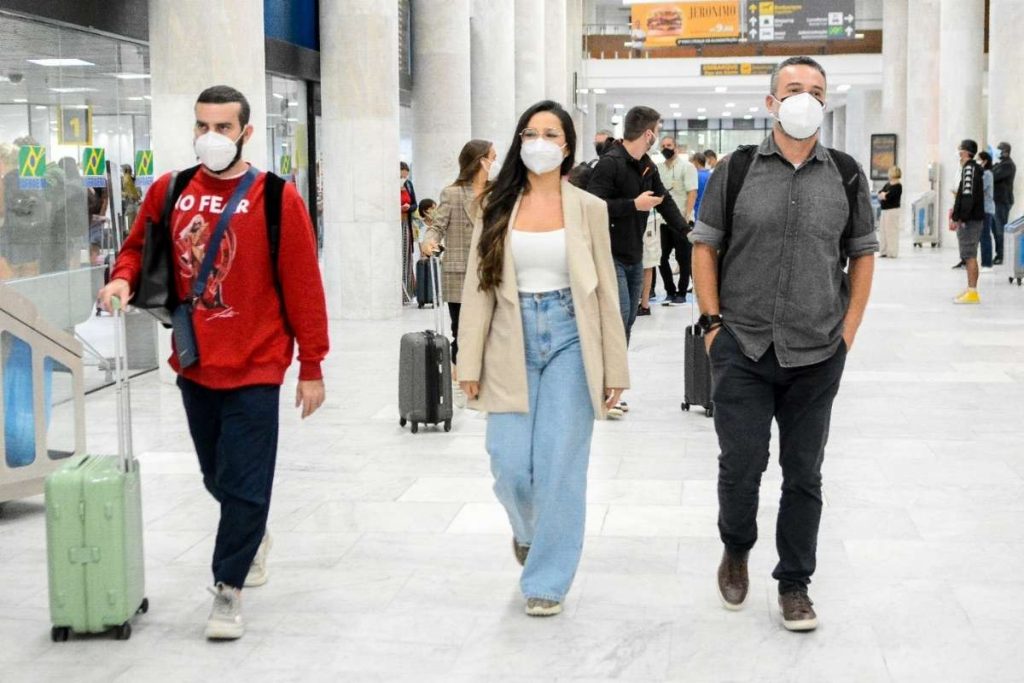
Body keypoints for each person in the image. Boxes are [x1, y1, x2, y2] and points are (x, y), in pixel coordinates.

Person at [97, 85, 329, 641]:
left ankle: (228, 588)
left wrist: (312, 364)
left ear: (246, 132)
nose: (212, 137)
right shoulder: (170, 189)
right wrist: (122, 277)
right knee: (216, 475)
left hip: (258, 362)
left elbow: (303, 284)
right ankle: (250, 534)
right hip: (195, 360)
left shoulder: (276, 198)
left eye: (224, 128)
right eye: (203, 125)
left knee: (246, 481)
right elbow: (136, 248)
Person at [690, 56, 877, 632]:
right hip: (742, 345)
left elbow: (863, 253)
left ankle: (795, 582)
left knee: (804, 473)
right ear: (771, 102)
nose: (805, 99)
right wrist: (713, 322)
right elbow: (705, 245)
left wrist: (846, 334)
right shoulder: (737, 169)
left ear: (825, 102)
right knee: (741, 466)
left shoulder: (845, 174)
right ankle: (737, 549)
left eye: (816, 91)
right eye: (793, 89)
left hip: (817, 352)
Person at [457, 100, 629, 617]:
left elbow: (605, 293)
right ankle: (530, 531)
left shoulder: (588, 208)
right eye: (529, 132)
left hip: (572, 339)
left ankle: (547, 580)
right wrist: (468, 362)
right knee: (509, 465)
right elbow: (477, 286)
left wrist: (615, 370)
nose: (538, 141)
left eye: (550, 133)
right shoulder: (496, 205)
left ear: (566, 146)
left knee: (560, 464)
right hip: (509, 340)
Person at [587, 105, 688, 418]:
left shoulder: (646, 166)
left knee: (628, 319)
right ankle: (604, 389)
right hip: (609, 254)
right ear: (648, 133)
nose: (658, 138)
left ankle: (612, 384)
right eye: (656, 131)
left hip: (634, 253)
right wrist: (633, 205)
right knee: (617, 320)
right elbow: (592, 206)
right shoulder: (609, 164)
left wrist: (687, 234)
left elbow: (664, 201)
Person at [421, 139, 496, 407]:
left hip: (488, 271)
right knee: (461, 329)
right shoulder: (452, 194)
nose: (494, 163)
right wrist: (428, 241)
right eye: (491, 157)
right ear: (478, 160)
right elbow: (437, 226)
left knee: (489, 328)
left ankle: (483, 379)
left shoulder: (496, 191)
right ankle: (463, 380)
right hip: (458, 272)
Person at [657, 135, 697, 306]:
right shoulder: (658, 168)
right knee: (661, 257)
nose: (666, 148)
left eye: (669, 145)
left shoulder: (687, 167)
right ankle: (669, 291)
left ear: (676, 147)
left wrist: (686, 217)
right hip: (663, 221)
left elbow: (692, 192)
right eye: (663, 145)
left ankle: (681, 292)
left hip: (681, 221)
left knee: (683, 258)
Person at [951, 139, 985, 304]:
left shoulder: (970, 169)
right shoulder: (970, 169)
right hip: (971, 217)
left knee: (970, 255)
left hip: (970, 220)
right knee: (968, 254)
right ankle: (970, 288)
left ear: (964, 152)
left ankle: (973, 291)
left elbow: (967, 195)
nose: (958, 153)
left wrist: (960, 217)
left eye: (959, 150)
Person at [992, 142, 1016, 266]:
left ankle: (1002, 255)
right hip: (995, 201)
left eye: (999, 150)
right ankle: (998, 254)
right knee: (995, 229)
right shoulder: (999, 164)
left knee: (1000, 229)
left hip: (1002, 201)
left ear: (1005, 151)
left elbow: (993, 176)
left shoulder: (1008, 165)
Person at [877, 166, 903, 258]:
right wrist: (883, 194)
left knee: (891, 231)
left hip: (892, 211)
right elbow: (880, 193)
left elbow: (889, 197)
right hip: (884, 210)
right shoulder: (888, 184)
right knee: (883, 231)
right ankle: (883, 251)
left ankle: (892, 252)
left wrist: (884, 195)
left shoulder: (898, 186)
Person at [977, 152, 996, 270]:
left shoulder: (988, 174)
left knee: (985, 236)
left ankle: (987, 263)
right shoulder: (982, 173)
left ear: (985, 161)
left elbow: (980, 187)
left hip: (986, 209)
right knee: (982, 236)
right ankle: (985, 261)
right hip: (981, 209)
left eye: (979, 159)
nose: (977, 161)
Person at [121, 164, 141, 235]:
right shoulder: (126, 179)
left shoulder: (128, 179)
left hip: (133, 205)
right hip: (130, 205)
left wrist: (137, 195)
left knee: (133, 226)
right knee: (131, 226)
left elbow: (136, 192)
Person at [692, 151, 712, 219]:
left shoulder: (695, 176)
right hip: (709, 211)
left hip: (697, 211)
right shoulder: (711, 175)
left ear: (696, 162)